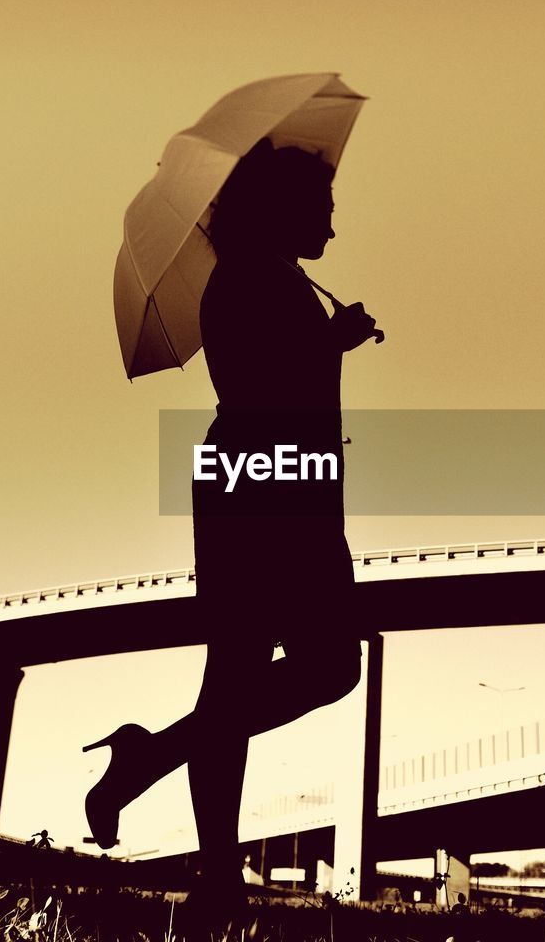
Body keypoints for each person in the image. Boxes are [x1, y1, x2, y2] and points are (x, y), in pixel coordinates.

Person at [83, 139, 379, 919]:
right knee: (324, 667)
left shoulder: (270, 275)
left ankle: (198, 845)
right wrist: (330, 343)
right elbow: (259, 390)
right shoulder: (247, 277)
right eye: (324, 210)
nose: (333, 229)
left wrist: (328, 345)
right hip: (263, 485)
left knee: (247, 673)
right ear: (285, 208)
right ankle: (181, 818)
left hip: (273, 483)